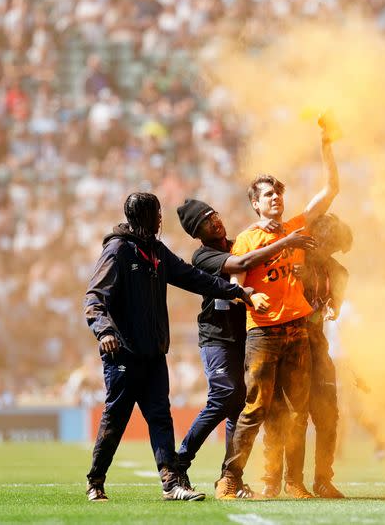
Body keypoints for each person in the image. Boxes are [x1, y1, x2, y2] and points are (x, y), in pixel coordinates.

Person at [83, 192, 264, 503]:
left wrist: (237, 292)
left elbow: (196, 279)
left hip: (153, 353)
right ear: (143, 217)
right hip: (123, 354)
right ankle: (95, 481)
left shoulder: (156, 252)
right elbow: (94, 298)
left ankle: (171, 482)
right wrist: (104, 332)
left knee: (160, 417)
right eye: (155, 214)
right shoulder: (118, 250)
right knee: (116, 418)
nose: (160, 220)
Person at [216, 122, 340, 499]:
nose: (275, 199)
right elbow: (237, 279)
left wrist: (326, 145)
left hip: (296, 331)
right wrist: (251, 296)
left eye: (278, 194)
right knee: (255, 410)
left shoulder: (297, 226)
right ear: (255, 203)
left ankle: (294, 482)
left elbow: (331, 189)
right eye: (268, 195)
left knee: (298, 412)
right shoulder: (249, 239)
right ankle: (231, 479)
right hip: (264, 334)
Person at [174, 198, 317, 497]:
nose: (215, 221)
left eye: (214, 215)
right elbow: (242, 264)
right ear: (196, 233)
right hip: (217, 337)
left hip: (248, 335)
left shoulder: (243, 240)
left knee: (241, 407)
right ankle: (179, 463)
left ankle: (231, 479)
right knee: (225, 397)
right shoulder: (204, 256)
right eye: (205, 221)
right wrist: (282, 242)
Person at [262, 213, 352, 499]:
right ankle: (274, 479)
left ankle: (323, 480)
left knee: (328, 415)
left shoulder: (339, 273)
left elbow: (332, 309)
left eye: (335, 248)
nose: (329, 252)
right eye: (327, 245)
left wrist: (326, 308)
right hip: (285, 347)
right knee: (282, 415)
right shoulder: (291, 261)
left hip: (316, 347)